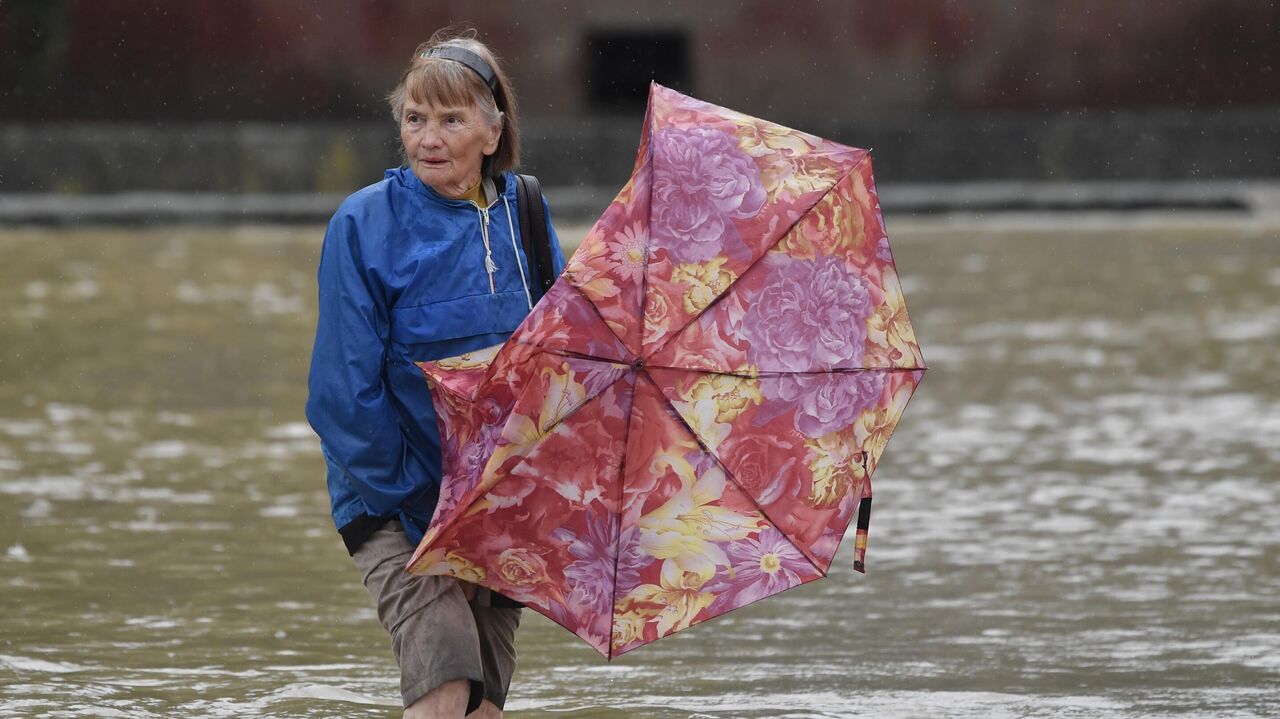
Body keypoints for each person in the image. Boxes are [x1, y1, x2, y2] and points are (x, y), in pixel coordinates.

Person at [305, 29, 564, 719]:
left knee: (482, 697)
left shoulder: (528, 218)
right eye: (415, 118)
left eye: (451, 119)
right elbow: (342, 398)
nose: (429, 136)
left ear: (492, 130)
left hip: (500, 502)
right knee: (446, 674)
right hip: (391, 499)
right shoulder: (362, 226)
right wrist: (430, 517)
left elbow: (562, 368)